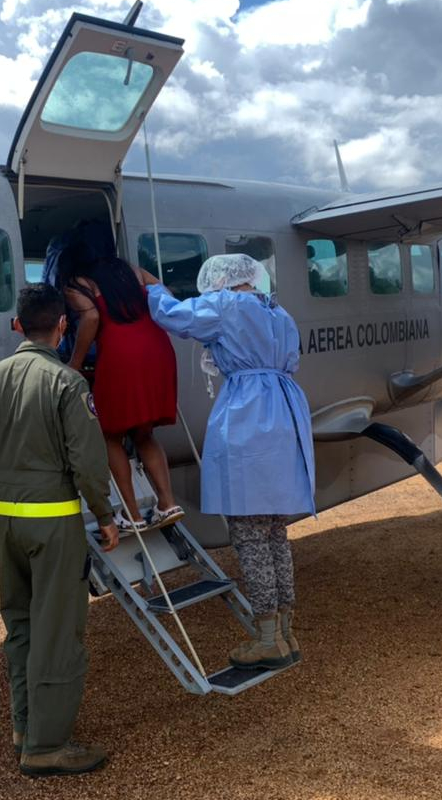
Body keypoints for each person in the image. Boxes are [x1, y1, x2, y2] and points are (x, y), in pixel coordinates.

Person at [0, 284, 120, 777]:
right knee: (58, 632)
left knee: (22, 626)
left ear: (17, 326)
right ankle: (47, 746)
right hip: (54, 525)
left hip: (7, 524)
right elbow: (88, 462)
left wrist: (10, 481)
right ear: (63, 326)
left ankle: (24, 727)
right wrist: (105, 515)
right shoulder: (68, 384)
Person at [146, 254, 315, 669]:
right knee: (274, 532)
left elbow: (172, 315)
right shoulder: (279, 313)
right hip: (285, 414)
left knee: (250, 534)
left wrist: (153, 288)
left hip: (248, 415)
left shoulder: (225, 306)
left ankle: (268, 639)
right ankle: (286, 632)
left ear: (220, 280)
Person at [57, 228, 183, 532]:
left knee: (110, 433)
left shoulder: (77, 283)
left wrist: (74, 363)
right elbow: (166, 294)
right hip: (158, 350)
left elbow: (91, 318)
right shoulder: (132, 271)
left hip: (120, 355)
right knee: (144, 432)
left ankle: (132, 514)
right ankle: (167, 503)